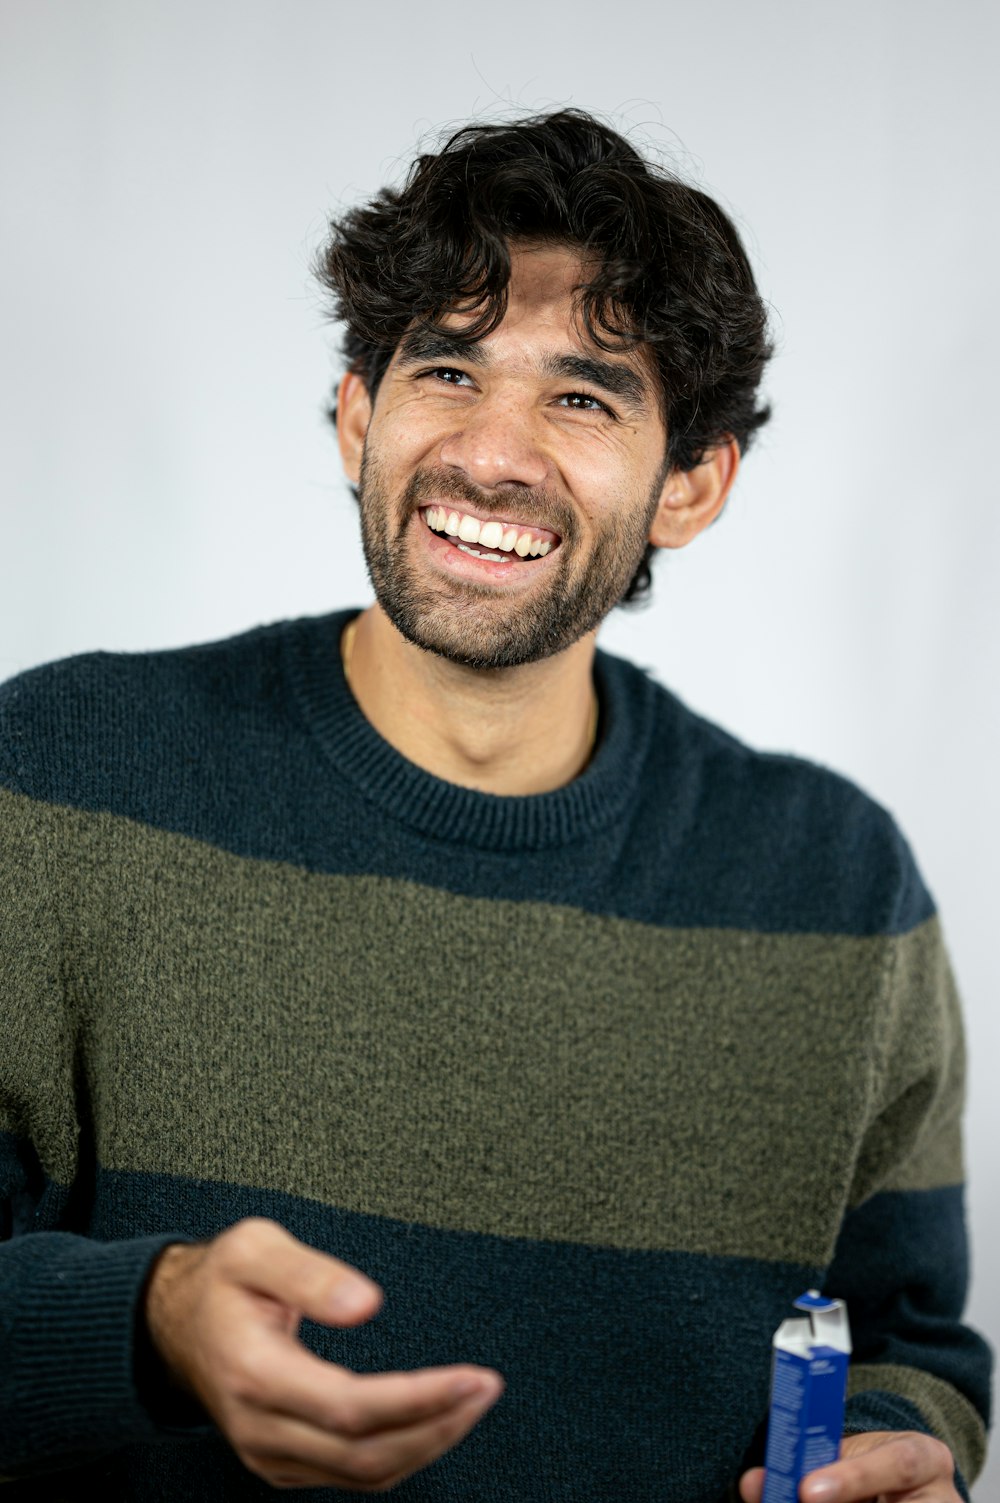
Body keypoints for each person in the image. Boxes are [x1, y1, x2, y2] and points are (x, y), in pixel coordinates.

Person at [0, 110, 991, 1502]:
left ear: (692, 486)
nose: (494, 454)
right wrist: (146, 1321)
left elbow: (909, 1342)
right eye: (449, 370)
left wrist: (908, 1445)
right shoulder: (58, 773)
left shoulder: (835, 882)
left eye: (584, 398)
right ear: (358, 417)